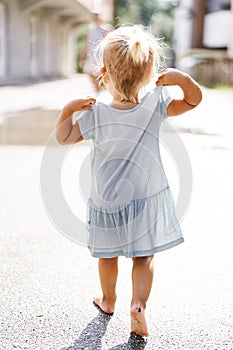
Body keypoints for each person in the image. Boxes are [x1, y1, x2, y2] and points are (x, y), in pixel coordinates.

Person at [56, 25, 202, 337]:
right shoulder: (154, 105)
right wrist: (182, 80)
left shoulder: (95, 114)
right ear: (150, 74)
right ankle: (138, 304)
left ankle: (108, 301)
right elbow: (192, 101)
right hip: (146, 198)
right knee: (144, 255)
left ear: (104, 73)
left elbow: (63, 137)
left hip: (107, 199)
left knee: (107, 257)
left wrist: (68, 109)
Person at [81, 11, 110, 92]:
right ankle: (97, 87)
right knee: (89, 73)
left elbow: (109, 42)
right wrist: (83, 56)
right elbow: (87, 43)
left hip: (100, 54)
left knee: (100, 72)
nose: (96, 17)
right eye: (94, 16)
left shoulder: (106, 28)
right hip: (90, 54)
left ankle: (99, 88)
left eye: (97, 15)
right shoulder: (90, 28)